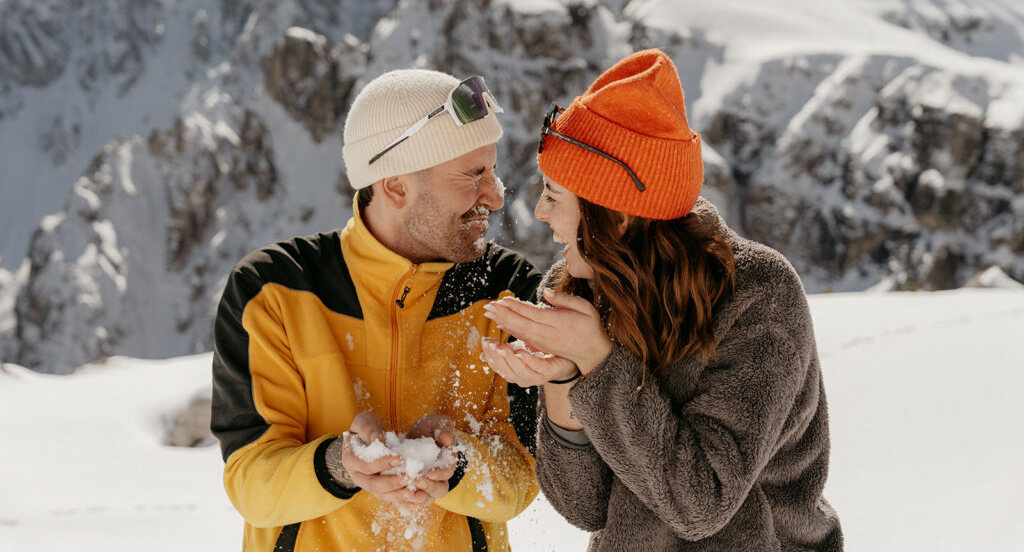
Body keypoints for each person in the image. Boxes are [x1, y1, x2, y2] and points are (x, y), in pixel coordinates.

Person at [479, 49, 843, 550]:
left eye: (555, 195)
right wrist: (564, 377)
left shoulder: (759, 296)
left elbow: (701, 506)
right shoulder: (582, 287)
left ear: (619, 218)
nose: (540, 211)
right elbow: (584, 507)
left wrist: (597, 361)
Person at [211, 69, 542, 551]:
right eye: (473, 175)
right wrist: (339, 465)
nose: (495, 195)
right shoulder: (272, 292)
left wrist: (460, 467)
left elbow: (521, 478)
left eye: (492, 171)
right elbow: (251, 484)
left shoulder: (505, 291)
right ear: (395, 187)